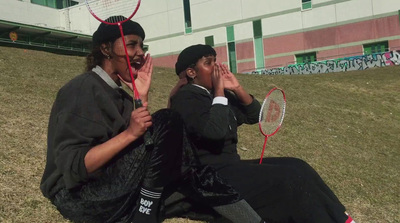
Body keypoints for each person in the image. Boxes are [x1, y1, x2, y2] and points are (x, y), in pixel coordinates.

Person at [40, 17, 266, 223]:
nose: (140, 52)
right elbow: (76, 168)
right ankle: (145, 215)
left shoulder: (122, 96)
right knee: (169, 121)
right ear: (106, 48)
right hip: (80, 198)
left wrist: (142, 98)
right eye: (131, 45)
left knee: (196, 192)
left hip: (112, 188)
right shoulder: (83, 88)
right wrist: (131, 133)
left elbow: (142, 149)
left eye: (142, 45)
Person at [169, 44, 357, 223]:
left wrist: (237, 89)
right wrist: (219, 92)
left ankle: (342, 217)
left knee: (298, 166)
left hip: (232, 168)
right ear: (192, 72)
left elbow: (254, 116)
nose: (216, 68)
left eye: (215, 61)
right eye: (208, 63)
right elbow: (214, 132)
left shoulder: (217, 95)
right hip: (211, 177)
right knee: (289, 178)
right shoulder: (187, 98)